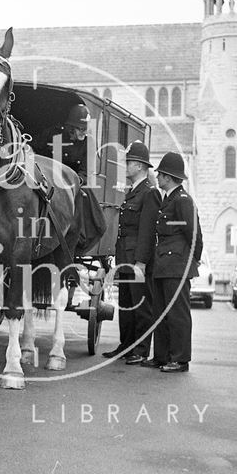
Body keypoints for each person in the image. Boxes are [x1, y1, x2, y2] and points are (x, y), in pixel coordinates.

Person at [142, 152, 203, 373]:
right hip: (163, 266)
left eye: (160, 174)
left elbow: (194, 234)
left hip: (177, 267)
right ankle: (162, 356)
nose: (157, 177)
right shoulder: (168, 199)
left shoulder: (182, 200)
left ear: (168, 177)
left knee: (177, 314)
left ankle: (180, 359)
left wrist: (190, 261)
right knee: (161, 312)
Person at [102, 141, 161, 363]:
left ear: (139, 166)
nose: (126, 166)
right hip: (126, 257)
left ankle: (141, 349)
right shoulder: (133, 192)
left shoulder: (149, 193)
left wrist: (141, 263)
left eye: (129, 163)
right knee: (126, 305)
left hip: (137, 260)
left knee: (141, 306)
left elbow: (146, 231)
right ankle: (127, 345)